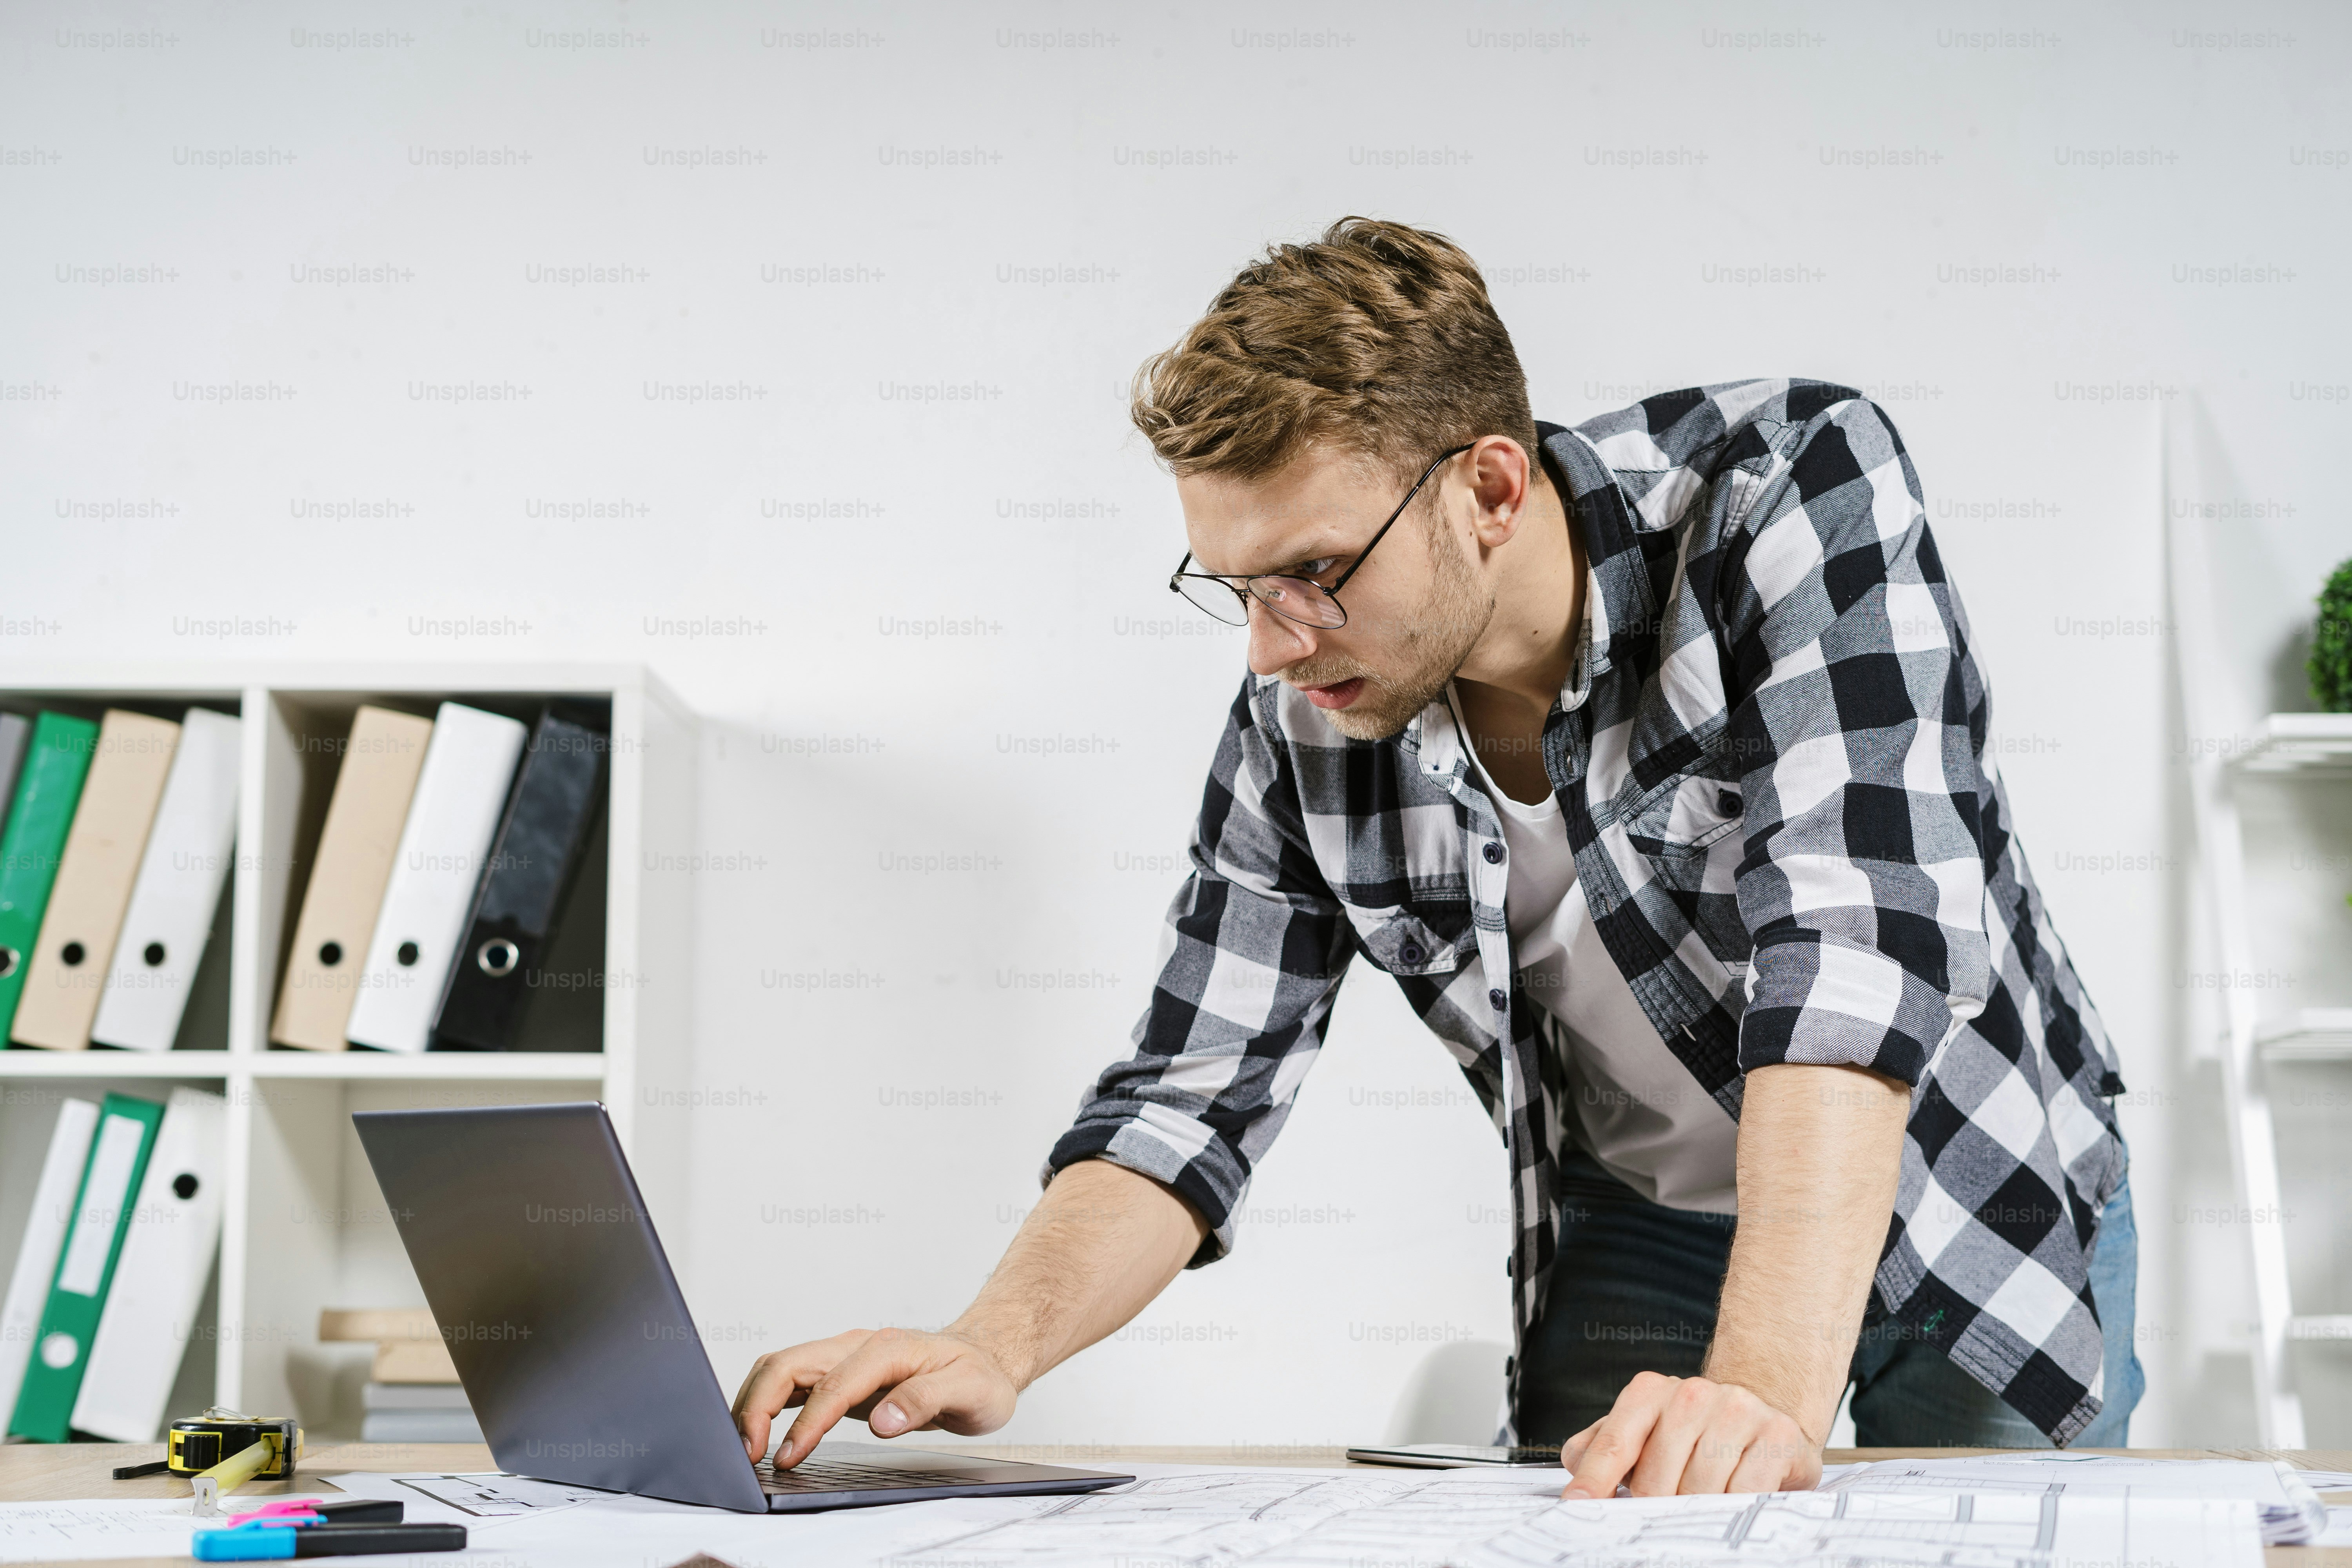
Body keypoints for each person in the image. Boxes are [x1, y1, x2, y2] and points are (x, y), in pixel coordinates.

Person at [733, 218, 2142, 1496]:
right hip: (1639, 1214)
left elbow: (1858, 948)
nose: (1274, 645)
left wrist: (1764, 1391)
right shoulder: (1307, 715)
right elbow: (1188, 1093)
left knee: (1988, 1533)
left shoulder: (1784, 490)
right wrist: (992, 1343)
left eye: (1319, 572)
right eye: (1236, 589)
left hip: (1948, 1176)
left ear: (1488, 485)